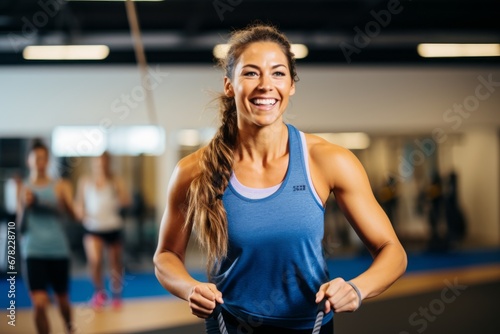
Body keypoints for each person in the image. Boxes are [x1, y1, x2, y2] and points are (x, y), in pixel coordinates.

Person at [153, 24, 407, 334]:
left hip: (310, 327)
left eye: (277, 73)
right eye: (250, 73)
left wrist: (357, 289)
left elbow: (391, 250)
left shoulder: (329, 161)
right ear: (229, 85)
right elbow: (166, 256)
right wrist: (189, 287)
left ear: (291, 85)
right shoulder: (194, 170)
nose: (265, 85)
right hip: (230, 326)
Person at [17, 140, 75, 334]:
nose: (40, 162)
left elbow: (72, 216)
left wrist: (53, 203)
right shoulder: (23, 188)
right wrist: (26, 205)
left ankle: (69, 327)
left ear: (48, 160)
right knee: (39, 303)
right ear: (29, 161)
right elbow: (20, 227)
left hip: (58, 249)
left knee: (62, 301)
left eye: (44, 158)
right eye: (37, 158)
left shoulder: (60, 186)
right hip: (34, 250)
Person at [75, 151, 130, 310]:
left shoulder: (115, 181)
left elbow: (126, 201)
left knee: (115, 263)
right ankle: (99, 293)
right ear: (94, 163)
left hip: (112, 226)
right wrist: (80, 212)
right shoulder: (85, 181)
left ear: (109, 163)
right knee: (96, 260)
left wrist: (120, 199)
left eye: (105, 162)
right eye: (99, 162)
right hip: (93, 228)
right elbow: (79, 203)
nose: (102, 165)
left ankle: (116, 295)